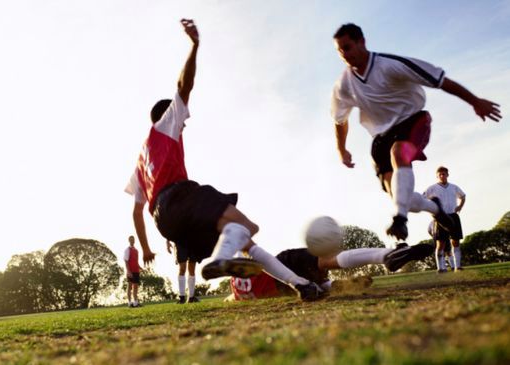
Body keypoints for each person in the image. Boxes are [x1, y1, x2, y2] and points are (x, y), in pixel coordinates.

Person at [124, 19, 324, 301]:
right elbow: (184, 85)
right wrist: (194, 47)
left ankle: (300, 285)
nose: (183, 126)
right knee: (247, 226)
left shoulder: (140, 163)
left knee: (245, 241)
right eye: (181, 122)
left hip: (166, 220)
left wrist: (150, 245)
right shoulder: (166, 124)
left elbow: (137, 213)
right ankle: (219, 260)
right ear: (168, 115)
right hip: (179, 198)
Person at [330, 23, 502, 244]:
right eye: (340, 51)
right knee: (401, 198)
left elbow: (440, 81)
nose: (345, 54)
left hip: (413, 121)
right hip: (380, 138)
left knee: (399, 152)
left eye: (348, 47)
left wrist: (475, 101)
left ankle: (400, 219)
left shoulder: (390, 65)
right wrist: (341, 148)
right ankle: (435, 209)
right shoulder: (343, 85)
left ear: (362, 42)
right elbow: (339, 119)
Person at [228, 243, 433, 301]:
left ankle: (337, 286)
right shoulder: (234, 271)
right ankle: (385, 255)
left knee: (313, 287)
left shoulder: (239, 295)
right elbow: (250, 255)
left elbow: (232, 297)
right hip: (280, 266)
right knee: (326, 261)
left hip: (282, 289)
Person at [424, 166, 466, 272]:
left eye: (444, 174)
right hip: (440, 218)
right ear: (437, 176)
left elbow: (463, 196)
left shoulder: (454, 187)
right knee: (441, 243)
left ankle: (458, 266)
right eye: (440, 174)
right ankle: (441, 268)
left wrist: (460, 206)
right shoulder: (432, 188)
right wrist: (432, 210)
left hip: (453, 216)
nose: (442, 176)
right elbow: (422, 199)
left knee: (455, 242)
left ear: (447, 174)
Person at [124, 235, 142, 307]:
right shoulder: (127, 249)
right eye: (131, 239)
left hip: (136, 271)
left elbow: (136, 261)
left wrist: (140, 267)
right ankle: (129, 302)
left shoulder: (136, 250)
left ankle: (135, 303)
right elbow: (126, 261)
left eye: (133, 239)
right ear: (129, 240)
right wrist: (128, 271)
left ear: (134, 241)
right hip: (130, 271)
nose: (132, 241)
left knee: (136, 287)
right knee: (130, 286)